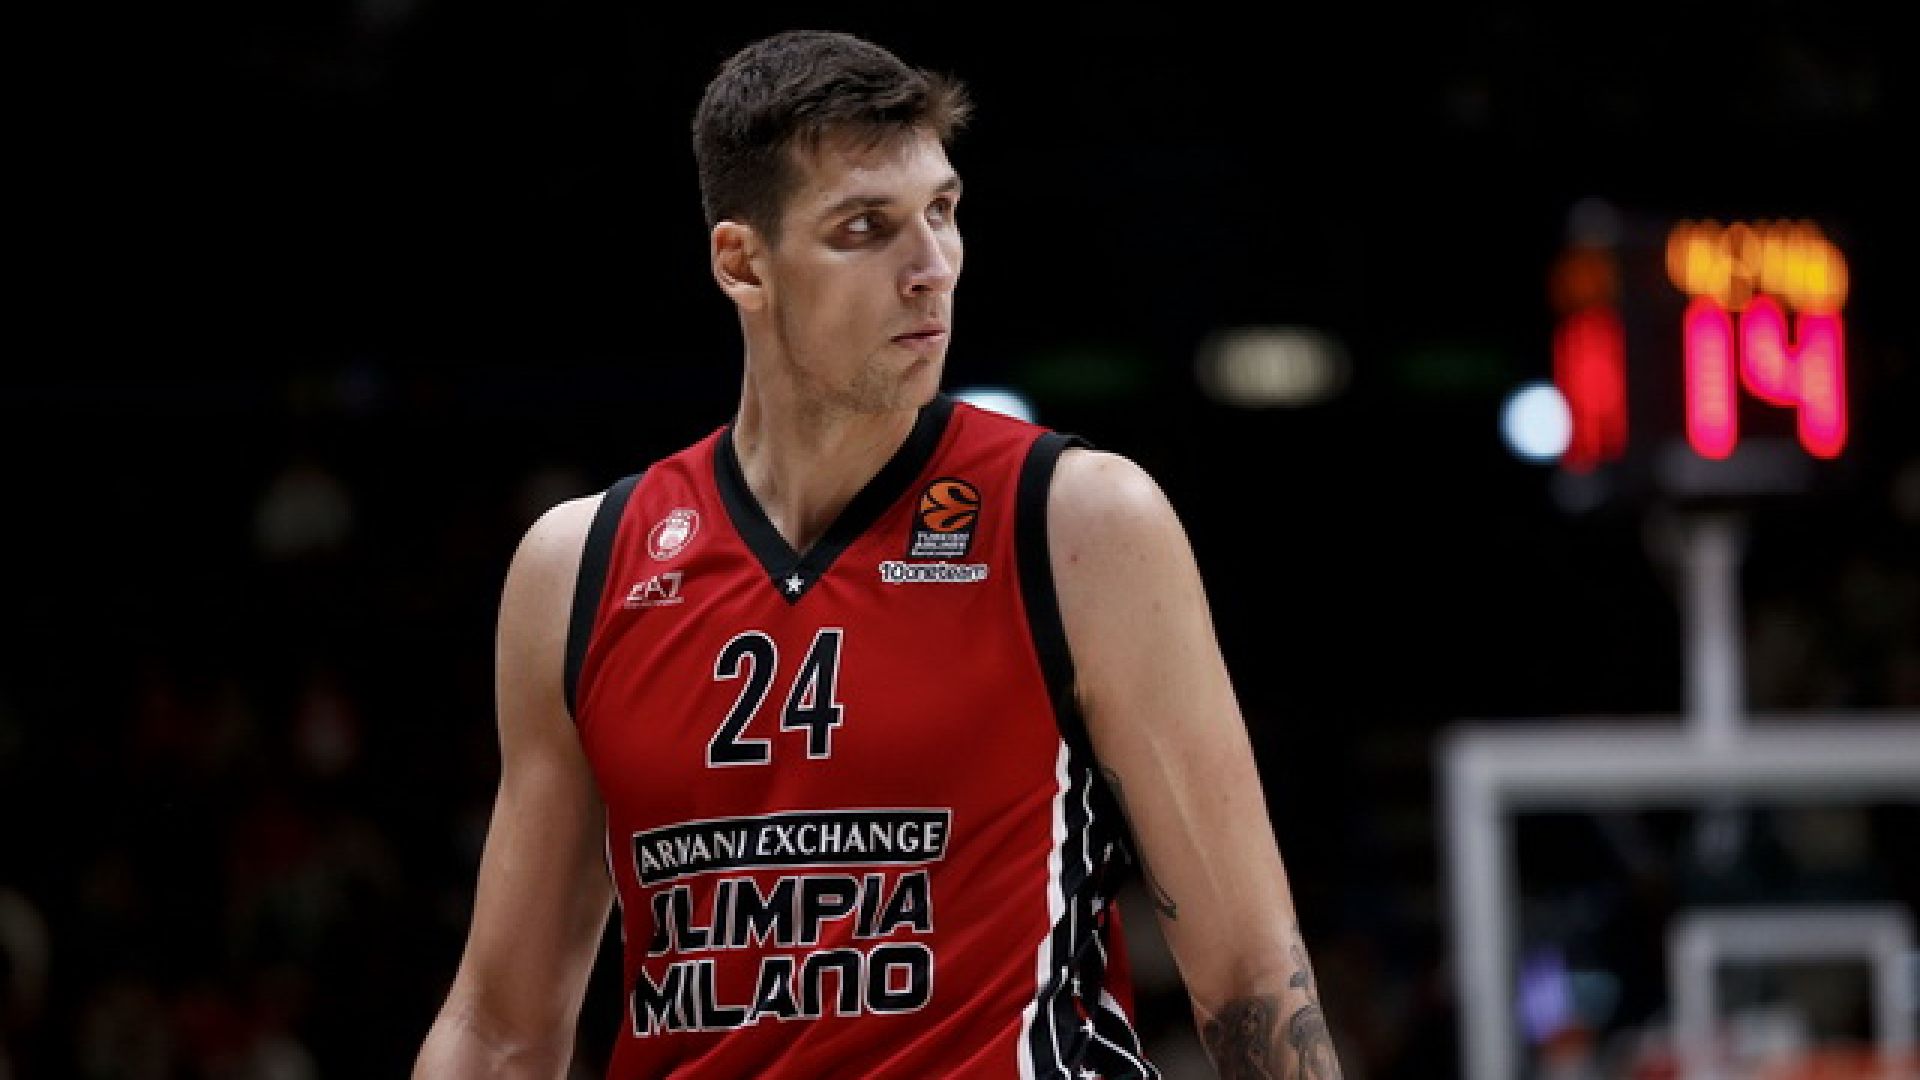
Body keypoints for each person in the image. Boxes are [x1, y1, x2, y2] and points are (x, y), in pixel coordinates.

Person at [414, 28, 1344, 1080]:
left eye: (942, 212)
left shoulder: (1080, 524)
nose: (931, 269)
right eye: (866, 228)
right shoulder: (579, 567)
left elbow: (1254, 982)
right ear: (743, 264)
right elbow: (500, 1028)